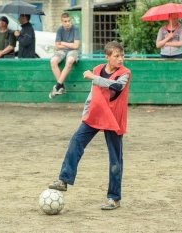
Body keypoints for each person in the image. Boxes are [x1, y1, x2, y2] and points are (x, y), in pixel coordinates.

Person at [48, 41, 131, 210]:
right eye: (116, 56)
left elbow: (117, 86)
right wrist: (85, 112)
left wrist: (95, 78)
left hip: (114, 119)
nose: (121, 59)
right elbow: (93, 94)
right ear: (107, 57)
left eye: (122, 56)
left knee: (115, 158)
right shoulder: (97, 69)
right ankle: (64, 180)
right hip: (95, 114)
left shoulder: (125, 73)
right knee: (76, 141)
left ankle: (114, 198)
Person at [49, 12, 80, 99]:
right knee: (53, 61)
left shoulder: (75, 28)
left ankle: (58, 86)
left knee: (69, 61)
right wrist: (69, 44)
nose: (67, 23)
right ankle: (61, 87)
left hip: (73, 51)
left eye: (69, 21)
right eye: (65, 21)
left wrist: (62, 43)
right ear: (62, 22)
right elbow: (57, 46)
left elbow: (76, 46)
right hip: (62, 51)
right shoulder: (59, 30)